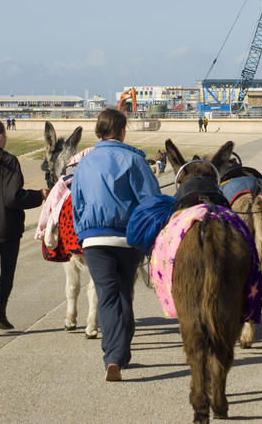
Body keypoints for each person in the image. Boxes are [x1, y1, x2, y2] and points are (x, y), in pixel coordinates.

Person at [71, 107, 160, 381]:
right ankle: (119, 354)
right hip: (127, 237)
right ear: (122, 130)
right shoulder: (133, 160)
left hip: (95, 238)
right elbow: (151, 199)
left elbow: (77, 202)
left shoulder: (84, 162)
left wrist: (81, 234)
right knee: (123, 294)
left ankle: (113, 356)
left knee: (107, 296)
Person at [0, 119, 48, 335]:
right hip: (6, 225)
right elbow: (13, 198)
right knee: (6, 269)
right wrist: (38, 196)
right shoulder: (9, 161)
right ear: (1, 136)